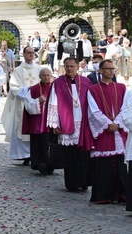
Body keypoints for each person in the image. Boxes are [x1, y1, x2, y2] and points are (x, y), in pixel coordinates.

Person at [46, 57, 93, 191]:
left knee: (84, 153)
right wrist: (55, 124)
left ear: (78, 67)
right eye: (66, 66)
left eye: (72, 66)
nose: (69, 69)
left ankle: (84, 182)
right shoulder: (58, 82)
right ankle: (72, 183)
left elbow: (92, 103)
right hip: (66, 122)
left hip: (83, 123)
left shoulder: (85, 81)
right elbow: (53, 103)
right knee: (70, 155)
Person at [86, 59, 127, 203]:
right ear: (100, 71)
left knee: (122, 164)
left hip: (119, 130)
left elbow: (126, 108)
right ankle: (104, 195)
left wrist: (118, 123)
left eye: (113, 69)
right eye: (108, 69)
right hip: (104, 131)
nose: (111, 71)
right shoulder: (93, 90)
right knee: (104, 166)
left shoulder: (122, 88)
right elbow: (93, 111)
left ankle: (122, 195)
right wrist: (108, 124)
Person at [1, 46, 43, 163]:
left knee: (36, 127)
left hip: (38, 103)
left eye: (32, 53)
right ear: (23, 54)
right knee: (21, 128)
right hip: (22, 104)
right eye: (28, 53)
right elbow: (14, 88)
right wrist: (30, 92)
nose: (31, 55)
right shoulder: (18, 71)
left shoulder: (39, 68)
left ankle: (35, 154)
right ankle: (23, 155)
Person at [23, 67, 54, 174]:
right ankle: (38, 164)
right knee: (37, 142)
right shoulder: (34, 89)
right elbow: (28, 104)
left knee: (49, 143)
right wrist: (37, 101)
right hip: (37, 120)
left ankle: (50, 165)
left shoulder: (55, 88)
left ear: (51, 76)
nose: (46, 77)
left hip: (51, 120)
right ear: (39, 76)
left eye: (48, 75)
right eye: (44, 75)